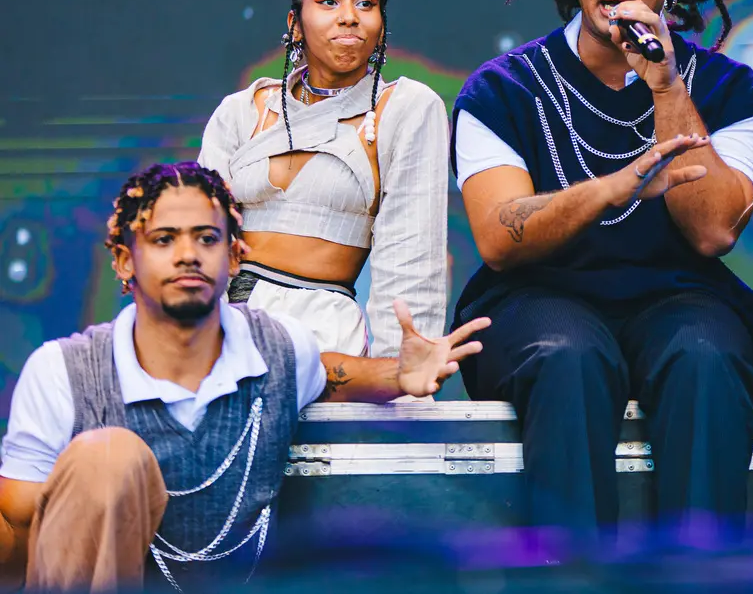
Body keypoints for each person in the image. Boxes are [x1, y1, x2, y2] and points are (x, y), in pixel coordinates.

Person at [450, 0, 753, 543]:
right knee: (568, 356)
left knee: (706, 358)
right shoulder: (501, 89)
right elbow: (500, 238)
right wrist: (610, 189)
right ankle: (575, 580)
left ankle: (700, 576)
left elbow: (713, 231)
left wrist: (665, 84)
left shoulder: (729, 89)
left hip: (680, 295)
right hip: (538, 295)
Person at [0, 162, 488, 591]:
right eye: (164, 239)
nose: (188, 254)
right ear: (125, 260)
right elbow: (23, 545)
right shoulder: (63, 371)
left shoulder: (279, 350)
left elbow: (333, 374)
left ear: (235, 257)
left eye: (207, 238)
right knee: (106, 458)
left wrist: (399, 373)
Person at [199, 0, 449, 357]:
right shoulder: (241, 111)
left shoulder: (405, 109)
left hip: (323, 336)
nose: (349, 16)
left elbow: (412, 260)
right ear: (295, 24)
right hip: (222, 329)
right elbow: (199, 233)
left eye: (366, 3)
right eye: (329, 1)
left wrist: (401, 370)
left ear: (381, 26)